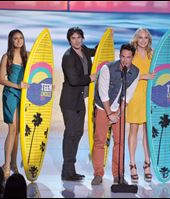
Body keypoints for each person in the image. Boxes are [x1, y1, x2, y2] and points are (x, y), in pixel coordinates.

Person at [91, 43, 140, 185]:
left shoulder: (135, 72)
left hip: (119, 108)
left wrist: (118, 112)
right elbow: (103, 93)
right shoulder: (108, 68)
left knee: (119, 142)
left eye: (128, 57)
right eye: (123, 57)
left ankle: (118, 175)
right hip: (102, 107)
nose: (125, 60)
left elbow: (128, 96)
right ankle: (98, 174)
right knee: (100, 140)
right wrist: (109, 113)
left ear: (132, 58)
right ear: (119, 56)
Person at [60, 27, 97, 181]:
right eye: (73, 38)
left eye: (79, 37)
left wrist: (107, 38)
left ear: (82, 38)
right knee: (71, 133)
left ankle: (70, 169)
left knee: (79, 132)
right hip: (69, 101)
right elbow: (74, 80)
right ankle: (67, 170)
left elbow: (96, 51)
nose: (76, 40)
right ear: (69, 40)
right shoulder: (68, 56)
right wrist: (90, 78)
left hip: (80, 99)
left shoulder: (84, 50)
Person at [126, 28, 155, 183]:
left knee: (147, 132)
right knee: (134, 130)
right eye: (140, 37)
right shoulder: (131, 54)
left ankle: (147, 163)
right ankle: (132, 164)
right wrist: (144, 76)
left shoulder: (152, 54)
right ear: (136, 39)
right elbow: (126, 74)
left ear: (148, 40)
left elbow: (164, 67)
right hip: (135, 96)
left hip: (149, 96)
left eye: (146, 38)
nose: (143, 40)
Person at [0, 29, 28, 179]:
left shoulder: (27, 55)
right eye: (15, 38)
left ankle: (14, 164)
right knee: (12, 129)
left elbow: (35, 73)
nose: (18, 40)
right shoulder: (7, 57)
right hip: (11, 93)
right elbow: (1, 79)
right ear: (11, 40)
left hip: (25, 96)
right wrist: (17, 86)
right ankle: (6, 164)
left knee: (17, 132)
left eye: (20, 38)